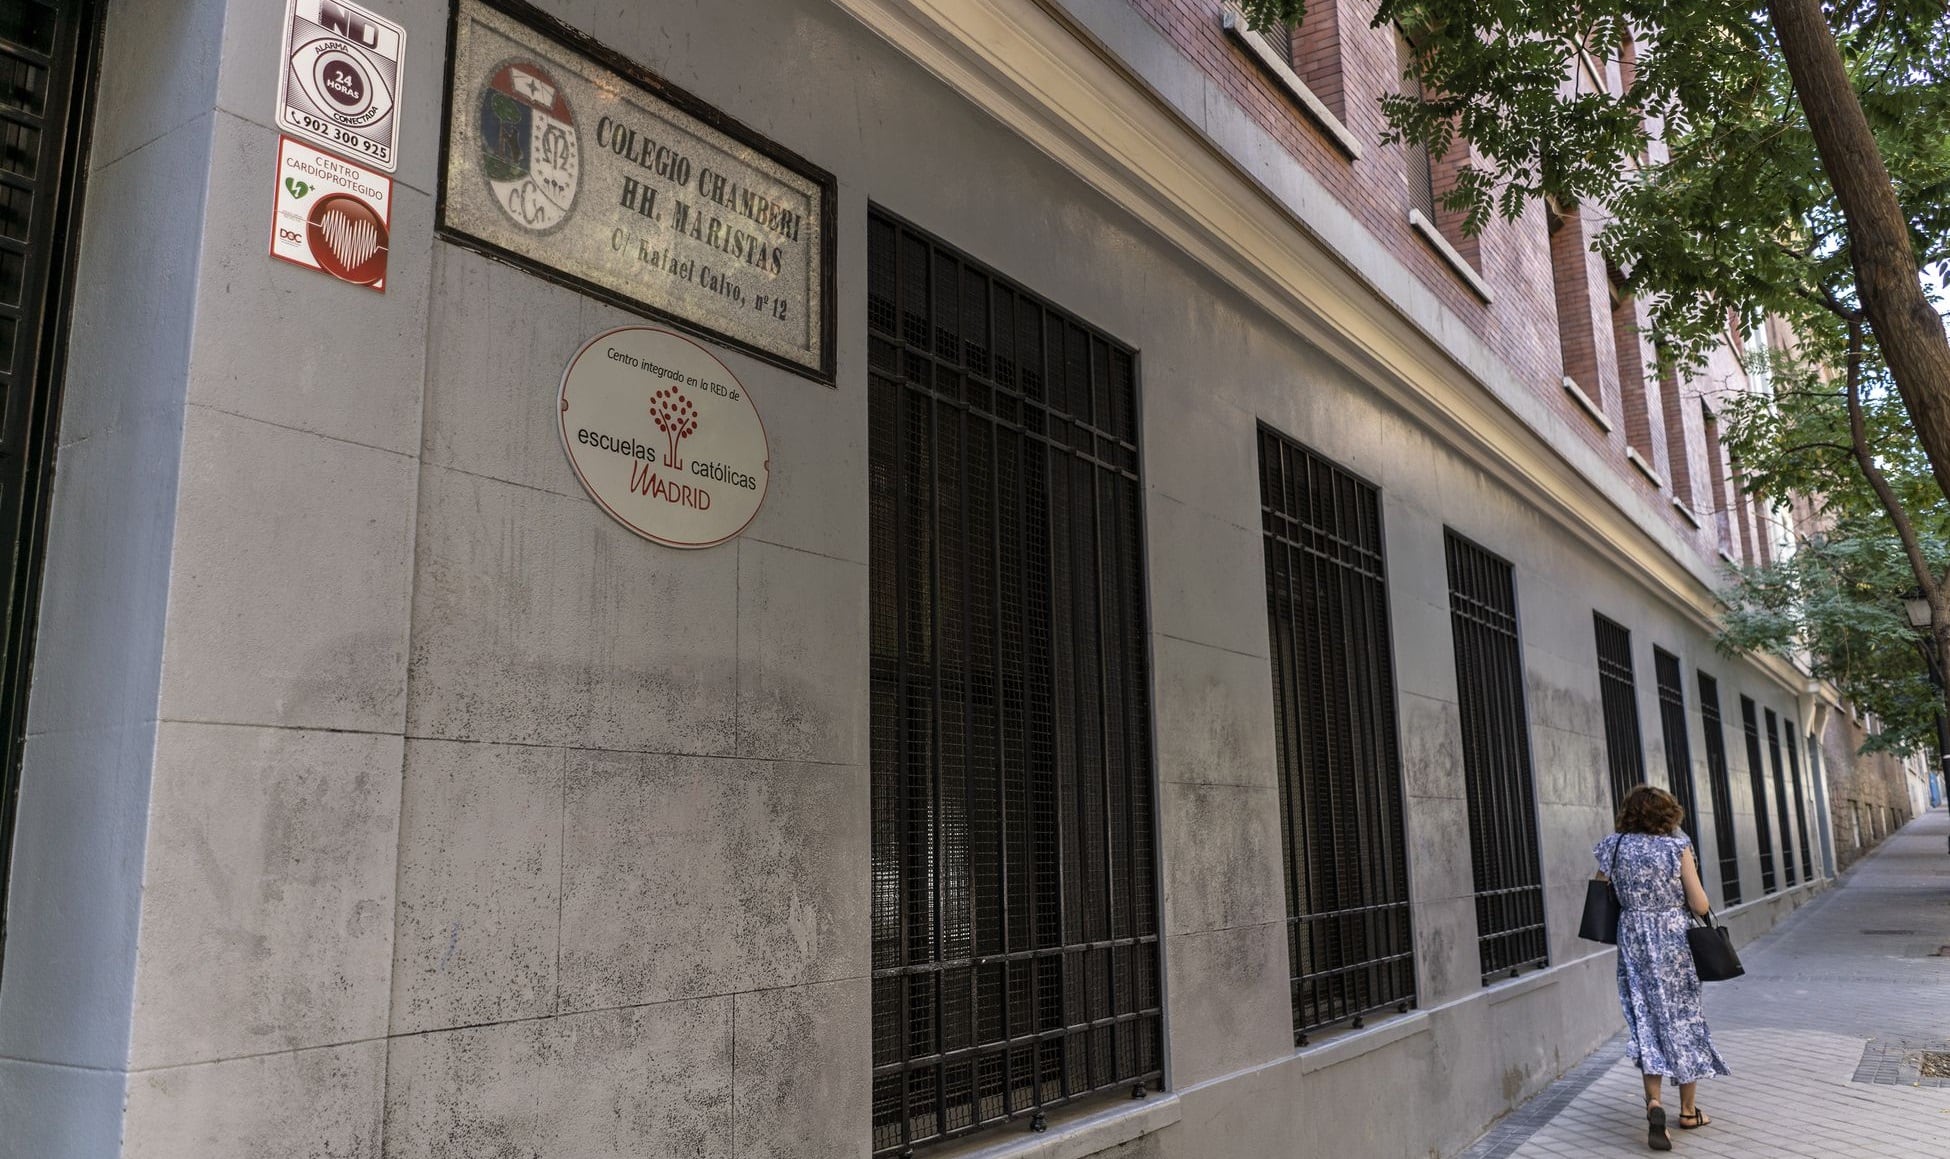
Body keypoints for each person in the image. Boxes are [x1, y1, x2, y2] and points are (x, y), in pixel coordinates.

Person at [1595, 785, 1729, 1151]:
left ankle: (1654, 1103)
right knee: (1683, 1019)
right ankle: (1688, 1111)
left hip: (1633, 938)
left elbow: (1600, 887)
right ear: (1668, 815)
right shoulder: (1675, 848)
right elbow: (1700, 905)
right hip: (1672, 941)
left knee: (1646, 1019)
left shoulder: (1614, 846)